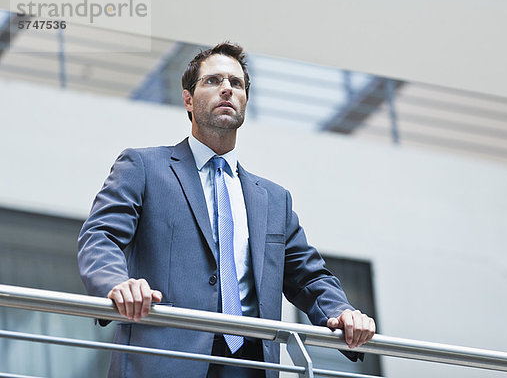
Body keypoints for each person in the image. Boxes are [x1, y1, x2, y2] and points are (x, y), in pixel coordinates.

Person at [78, 42, 375, 378]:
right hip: (165, 359)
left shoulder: (274, 200)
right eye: (212, 81)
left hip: (252, 365)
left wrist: (343, 311)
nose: (226, 89)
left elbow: (309, 276)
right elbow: (100, 235)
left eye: (236, 84)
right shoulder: (144, 167)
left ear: (245, 100)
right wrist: (117, 283)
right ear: (188, 99)